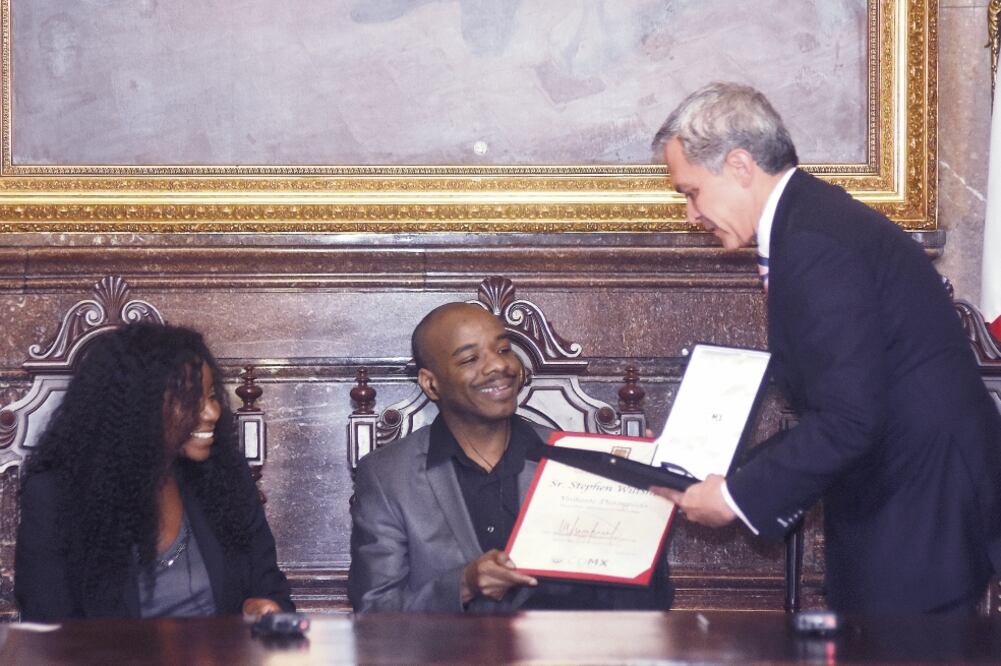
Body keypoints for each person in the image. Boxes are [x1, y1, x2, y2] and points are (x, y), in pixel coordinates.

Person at [650, 81, 1001, 614]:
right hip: (910, 492)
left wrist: (732, 497)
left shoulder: (814, 245)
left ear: (740, 165)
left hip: (919, 508)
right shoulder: (811, 220)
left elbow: (849, 417)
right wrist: (732, 478)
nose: (690, 215)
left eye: (691, 191)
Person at [348, 302, 672, 612]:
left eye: (503, 350)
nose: (499, 366)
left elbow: (642, 600)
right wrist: (464, 585)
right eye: (470, 359)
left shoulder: (580, 459)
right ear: (431, 384)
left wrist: (649, 506)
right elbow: (375, 609)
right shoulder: (387, 476)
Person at [15, 323, 294, 621]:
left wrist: (258, 607)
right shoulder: (57, 496)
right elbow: (48, 630)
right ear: (137, 408)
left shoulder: (225, 476)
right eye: (189, 400)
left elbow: (274, 594)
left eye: (211, 396)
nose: (212, 412)